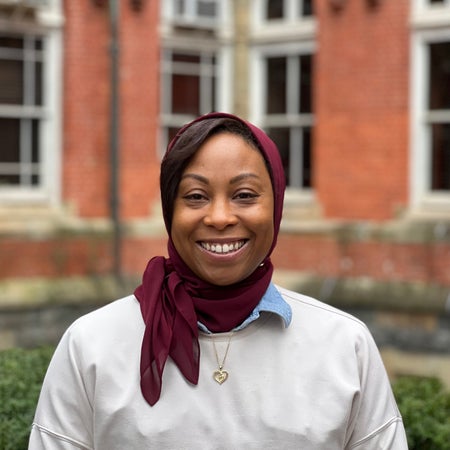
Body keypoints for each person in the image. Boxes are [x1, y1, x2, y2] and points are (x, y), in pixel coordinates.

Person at [29, 112, 408, 449]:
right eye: (196, 196)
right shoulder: (91, 345)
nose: (220, 217)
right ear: (170, 209)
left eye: (244, 195)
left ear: (275, 205)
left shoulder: (345, 345)